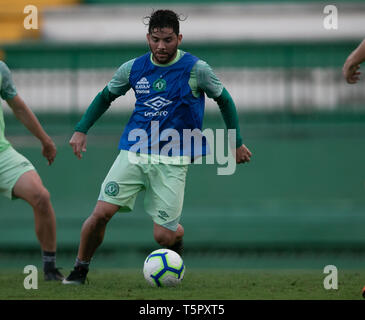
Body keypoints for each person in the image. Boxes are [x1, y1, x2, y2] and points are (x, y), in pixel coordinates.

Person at [62, 9, 252, 285]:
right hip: (134, 152)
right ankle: (80, 270)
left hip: (173, 159)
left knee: (163, 237)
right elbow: (105, 97)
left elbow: (225, 100)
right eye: (155, 40)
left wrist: (236, 143)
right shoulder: (133, 68)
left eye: (168, 40)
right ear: (148, 38)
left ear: (179, 38)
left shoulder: (196, 69)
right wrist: (81, 129)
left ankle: (176, 236)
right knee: (101, 213)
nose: (161, 46)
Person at [0, 61, 63, 280]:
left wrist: (45, 140)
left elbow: (18, 106)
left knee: (41, 197)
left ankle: (50, 269)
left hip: (2, 155)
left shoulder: (0, 69)